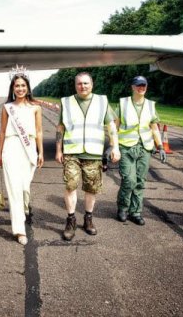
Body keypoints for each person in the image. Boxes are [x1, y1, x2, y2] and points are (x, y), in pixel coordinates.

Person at [55, 72, 120, 241]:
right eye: (79, 84)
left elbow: (111, 126)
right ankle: (70, 220)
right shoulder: (66, 102)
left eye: (86, 83)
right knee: (70, 186)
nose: (82, 86)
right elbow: (60, 128)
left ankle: (88, 219)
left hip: (93, 152)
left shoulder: (102, 101)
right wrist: (58, 150)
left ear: (92, 84)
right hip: (71, 152)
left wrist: (115, 146)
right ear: (75, 85)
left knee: (91, 188)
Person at [0, 68, 44, 246]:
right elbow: (2, 131)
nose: (20, 89)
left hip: (29, 147)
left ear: (28, 87)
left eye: (23, 85)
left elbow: (39, 131)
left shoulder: (36, 108)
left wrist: (41, 152)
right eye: (17, 85)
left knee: (24, 187)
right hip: (11, 147)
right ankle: (19, 229)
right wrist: (0, 153)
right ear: (12, 88)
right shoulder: (7, 108)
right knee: (14, 190)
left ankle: (23, 209)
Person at [114, 76, 167, 226]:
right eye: (138, 85)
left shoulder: (150, 105)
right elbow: (114, 127)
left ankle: (135, 211)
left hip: (145, 147)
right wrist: (113, 146)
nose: (141, 87)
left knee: (140, 181)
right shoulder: (123, 103)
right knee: (129, 180)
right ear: (132, 87)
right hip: (126, 147)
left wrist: (161, 146)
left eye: (143, 85)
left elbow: (154, 128)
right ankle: (123, 208)